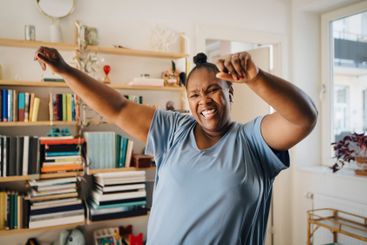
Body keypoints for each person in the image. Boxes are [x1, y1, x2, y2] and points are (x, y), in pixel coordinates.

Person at [34, 47, 317, 245]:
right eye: (194, 94)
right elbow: (117, 108)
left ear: (231, 92)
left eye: (213, 90)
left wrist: (257, 77)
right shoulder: (173, 130)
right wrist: (65, 70)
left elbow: (303, 118)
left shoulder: (253, 140)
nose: (203, 100)